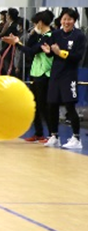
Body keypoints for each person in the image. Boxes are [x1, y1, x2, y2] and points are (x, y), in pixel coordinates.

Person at [8, 10, 55, 142]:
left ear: (40, 23)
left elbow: (32, 51)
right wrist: (33, 34)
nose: (34, 26)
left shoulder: (50, 36)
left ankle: (52, 134)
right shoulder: (39, 36)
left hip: (45, 73)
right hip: (35, 72)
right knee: (34, 105)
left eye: (35, 24)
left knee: (44, 105)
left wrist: (17, 44)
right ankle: (39, 133)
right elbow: (29, 46)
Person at [41, 8, 85, 149]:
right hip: (56, 74)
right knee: (51, 105)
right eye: (64, 19)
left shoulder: (79, 36)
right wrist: (48, 52)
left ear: (74, 21)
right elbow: (51, 53)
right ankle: (54, 136)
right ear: (60, 20)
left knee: (69, 105)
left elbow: (77, 57)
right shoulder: (55, 34)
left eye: (69, 19)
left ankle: (76, 138)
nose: (66, 22)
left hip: (69, 75)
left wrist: (61, 53)